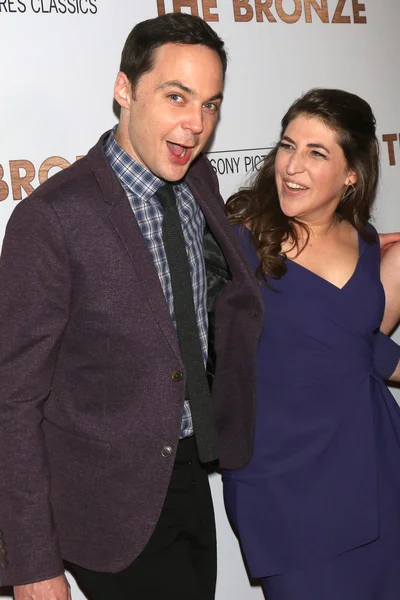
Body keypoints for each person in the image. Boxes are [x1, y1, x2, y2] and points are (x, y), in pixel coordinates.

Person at [0, 12, 264, 600]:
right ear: (124, 90)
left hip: (194, 476)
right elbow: (13, 400)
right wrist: (32, 561)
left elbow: (223, 291)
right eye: (177, 97)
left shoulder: (200, 183)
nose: (195, 125)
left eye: (211, 104)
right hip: (108, 508)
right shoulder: (50, 220)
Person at [223, 88, 400, 600]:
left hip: (374, 468)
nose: (292, 166)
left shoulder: (366, 242)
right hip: (284, 489)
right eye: (287, 145)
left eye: (316, 152)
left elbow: (358, 349)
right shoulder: (238, 241)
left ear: (352, 174)